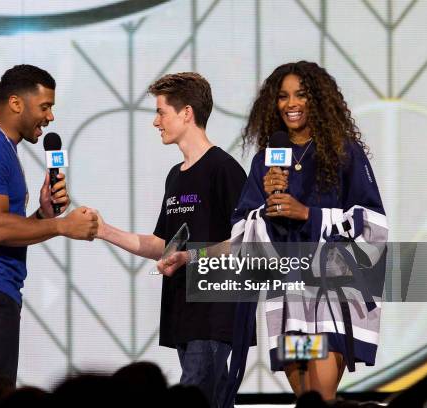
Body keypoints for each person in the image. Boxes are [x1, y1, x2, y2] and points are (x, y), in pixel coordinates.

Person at [96, 72, 255, 408]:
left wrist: (190, 258)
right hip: (183, 311)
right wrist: (103, 230)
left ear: (186, 113)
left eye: (161, 112)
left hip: (214, 311)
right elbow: (162, 243)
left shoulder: (223, 169)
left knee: (195, 396)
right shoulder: (175, 175)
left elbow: (247, 241)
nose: (156, 122)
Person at [231, 61, 387, 400]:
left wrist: (309, 215)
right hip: (290, 304)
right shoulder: (265, 162)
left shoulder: (345, 153)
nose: (291, 104)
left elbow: (373, 225)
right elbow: (242, 234)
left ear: (317, 100)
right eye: (283, 96)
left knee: (322, 396)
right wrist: (268, 211)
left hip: (332, 297)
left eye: (301, 95)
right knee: (307, 400)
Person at [0, 64, 98, 386]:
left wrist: (43, 214)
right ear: (15, 103)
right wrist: (63, 226)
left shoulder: (0, 149)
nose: (50, 117)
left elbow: (1, 228)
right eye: (45, 107)